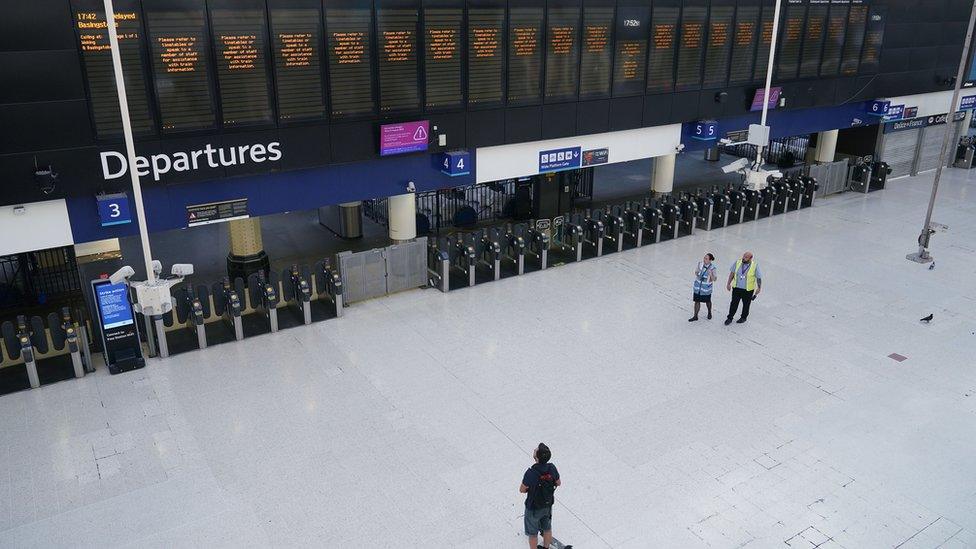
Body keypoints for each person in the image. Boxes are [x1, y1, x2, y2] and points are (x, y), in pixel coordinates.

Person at [520, 443, 561, 549]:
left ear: (536, 457)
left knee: (533, 534)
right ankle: (546, 547)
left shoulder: (531, 473)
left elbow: (522, 489)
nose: (534, 449)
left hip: (533, 507)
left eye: (536, 450)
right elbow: (558, 482)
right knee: (547, 528)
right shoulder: (552, 468)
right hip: (547, 504)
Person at [725, 251, 762, 325]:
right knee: (733, 303)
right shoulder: (738, 262)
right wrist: (728, 283)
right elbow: (732, 273)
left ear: (750, 258)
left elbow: (758, 278)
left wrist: (759, 287)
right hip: (736, 288)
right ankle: (730, 317)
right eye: (743, 256)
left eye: (746, 257)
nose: (743, 258)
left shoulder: (755, 266)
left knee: (746, 304)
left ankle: (743, 317)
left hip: (748, 290)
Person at [689, 253, 717, 321]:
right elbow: (696, 272)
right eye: (704, 258)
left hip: (706, 288)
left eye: (706, 259)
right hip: (698, 287)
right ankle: (695, 316)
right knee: (697, 301)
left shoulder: (713, 268)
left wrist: (711, 274)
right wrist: (697, 271)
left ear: (710, 260)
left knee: (708, 301)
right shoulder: (700, 264)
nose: (704, 260)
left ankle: (709, 312)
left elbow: (715, 279)